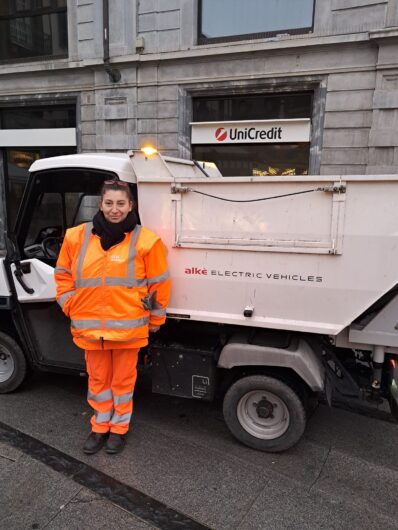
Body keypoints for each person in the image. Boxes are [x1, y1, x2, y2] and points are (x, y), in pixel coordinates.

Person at [54, 179, 171, 455]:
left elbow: (159, 284)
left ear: (130, 205)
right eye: (109, 203)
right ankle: (99, 427)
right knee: (97, 383)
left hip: (128, 331)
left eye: (121, 203)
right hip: (90, 329)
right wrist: (71, 305)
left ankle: (118, 430)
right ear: (100, 204)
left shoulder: (147, 241)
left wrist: (155, 320)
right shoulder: (76, 237)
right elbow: (62, 276)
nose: (114, 209)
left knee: (122, 383)